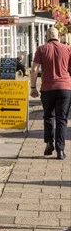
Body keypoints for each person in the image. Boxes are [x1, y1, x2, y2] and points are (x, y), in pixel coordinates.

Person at [29, 26, 71, 160]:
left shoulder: (41, 49)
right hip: (65, 88)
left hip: (47, 88)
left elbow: (34, 69)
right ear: (58, 36)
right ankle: (61, 150)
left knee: (48, 117)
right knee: (62, 119)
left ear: (47, 36)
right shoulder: (67, 49)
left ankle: (49, 143)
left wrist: (33, 87)